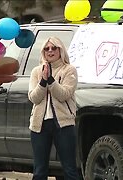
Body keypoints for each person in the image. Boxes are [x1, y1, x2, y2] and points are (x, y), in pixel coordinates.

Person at [28, 36, 79, 180]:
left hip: (63, 124)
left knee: (69, 169)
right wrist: (43, 80)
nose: (50, 51)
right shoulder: (36, 72)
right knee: (39, 170)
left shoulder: (69, 70)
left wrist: (50, 79)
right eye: (47, 48)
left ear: (60, 50)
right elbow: (34, 98)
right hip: (39, 125)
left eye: (54, 48)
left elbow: (63, 95)